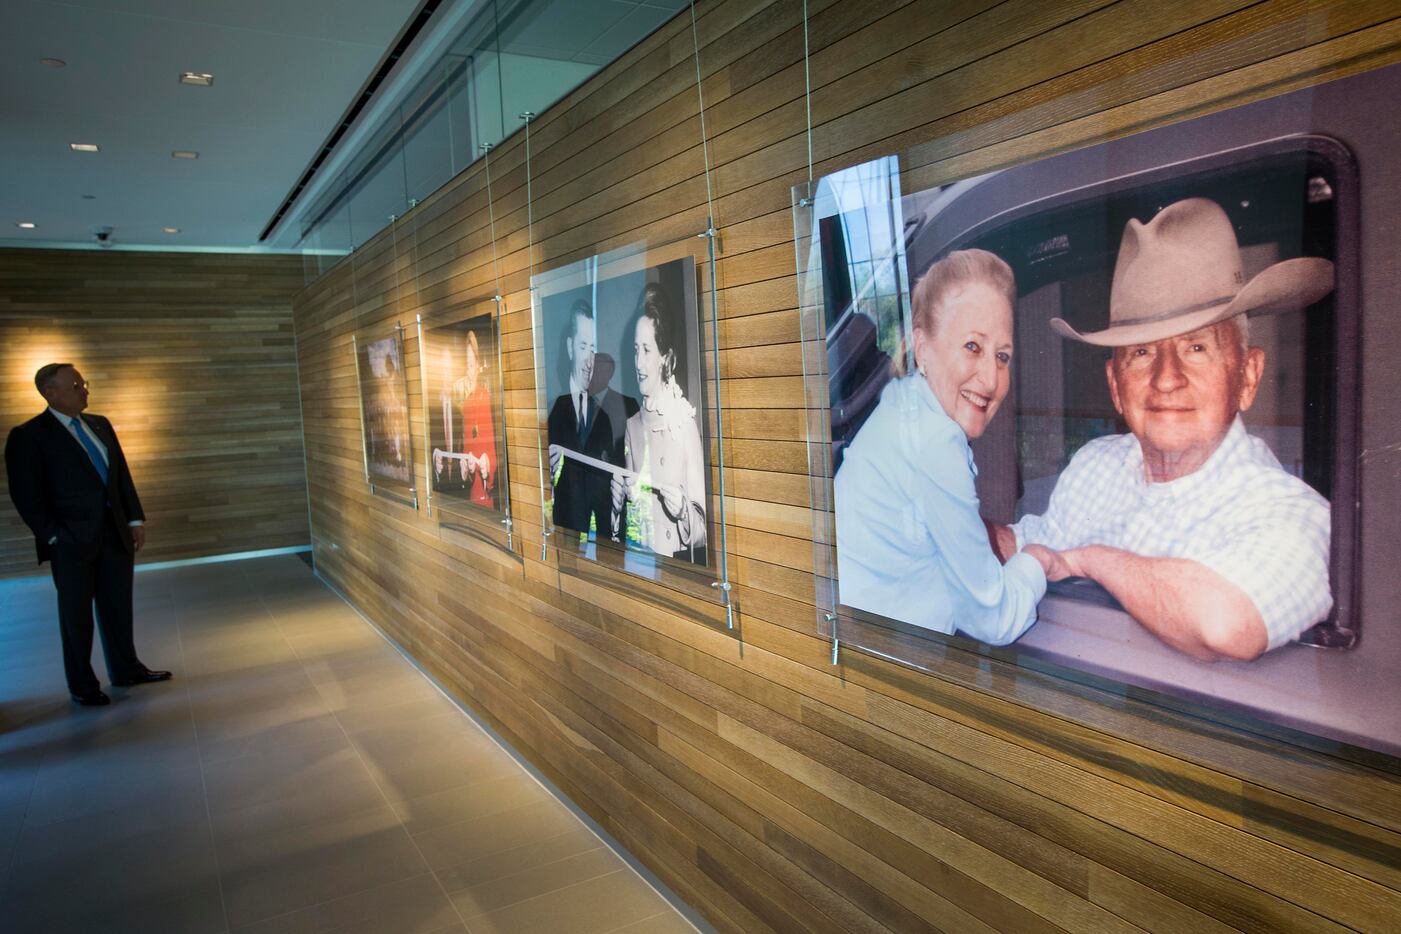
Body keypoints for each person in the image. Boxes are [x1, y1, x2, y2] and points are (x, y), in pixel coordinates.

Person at [1000, 197, 1335, 661]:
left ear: (1248, 376)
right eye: (1141, 353)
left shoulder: (1296, 514)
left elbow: (1226, 625)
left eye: (1197, 348)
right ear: (1115, 386)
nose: (1166, 378)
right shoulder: (1098, 464)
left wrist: (1089, 561)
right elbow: (1035, 541)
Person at [834, 249, 1052, 644]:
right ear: (923, 348)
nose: (990, 378)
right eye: (973, 346)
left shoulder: (905, 406)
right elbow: (995, 621)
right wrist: (1040, 561)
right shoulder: (934, 443)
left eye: (1002, 356)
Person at [5, 363, 171, 706]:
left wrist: (135, 519)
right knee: (76, 617)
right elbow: (27, 496)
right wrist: (55, 537)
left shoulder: (100, 424)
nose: (85, 390)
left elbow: (119, 475)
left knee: (118, 606)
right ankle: (82, 685)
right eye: (77, 385)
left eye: (84, 384)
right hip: (71, 542)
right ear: (50, 392)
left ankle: (127, 669)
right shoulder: (29, 435)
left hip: (114, 534)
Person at [610, 283, 707, 563]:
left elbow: (702, 529)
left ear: (666, 358)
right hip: (638, 564)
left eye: (647, 350)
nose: (638, 363)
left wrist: (683, 511)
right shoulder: (632, 426)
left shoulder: (684, 424)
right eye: (635, 350)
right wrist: (617, 506)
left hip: (673, 572)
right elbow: (630, 519)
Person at [548, 299, 622, 537]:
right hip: (563, 539)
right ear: (570, 348)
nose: (590, 360)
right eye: (583, 347)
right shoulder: (552, 408)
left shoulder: (605, 411)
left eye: (593, 348)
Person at [435, 330, 496, 506]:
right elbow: (466, 451)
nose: (469, 373)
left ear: (478, 366)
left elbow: (496, 452)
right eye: (466, 366)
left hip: (488, 493)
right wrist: (464, 468)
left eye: (471, 365)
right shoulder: (466, 404)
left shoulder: (488, 398)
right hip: (472, 494)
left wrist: (487, 467)